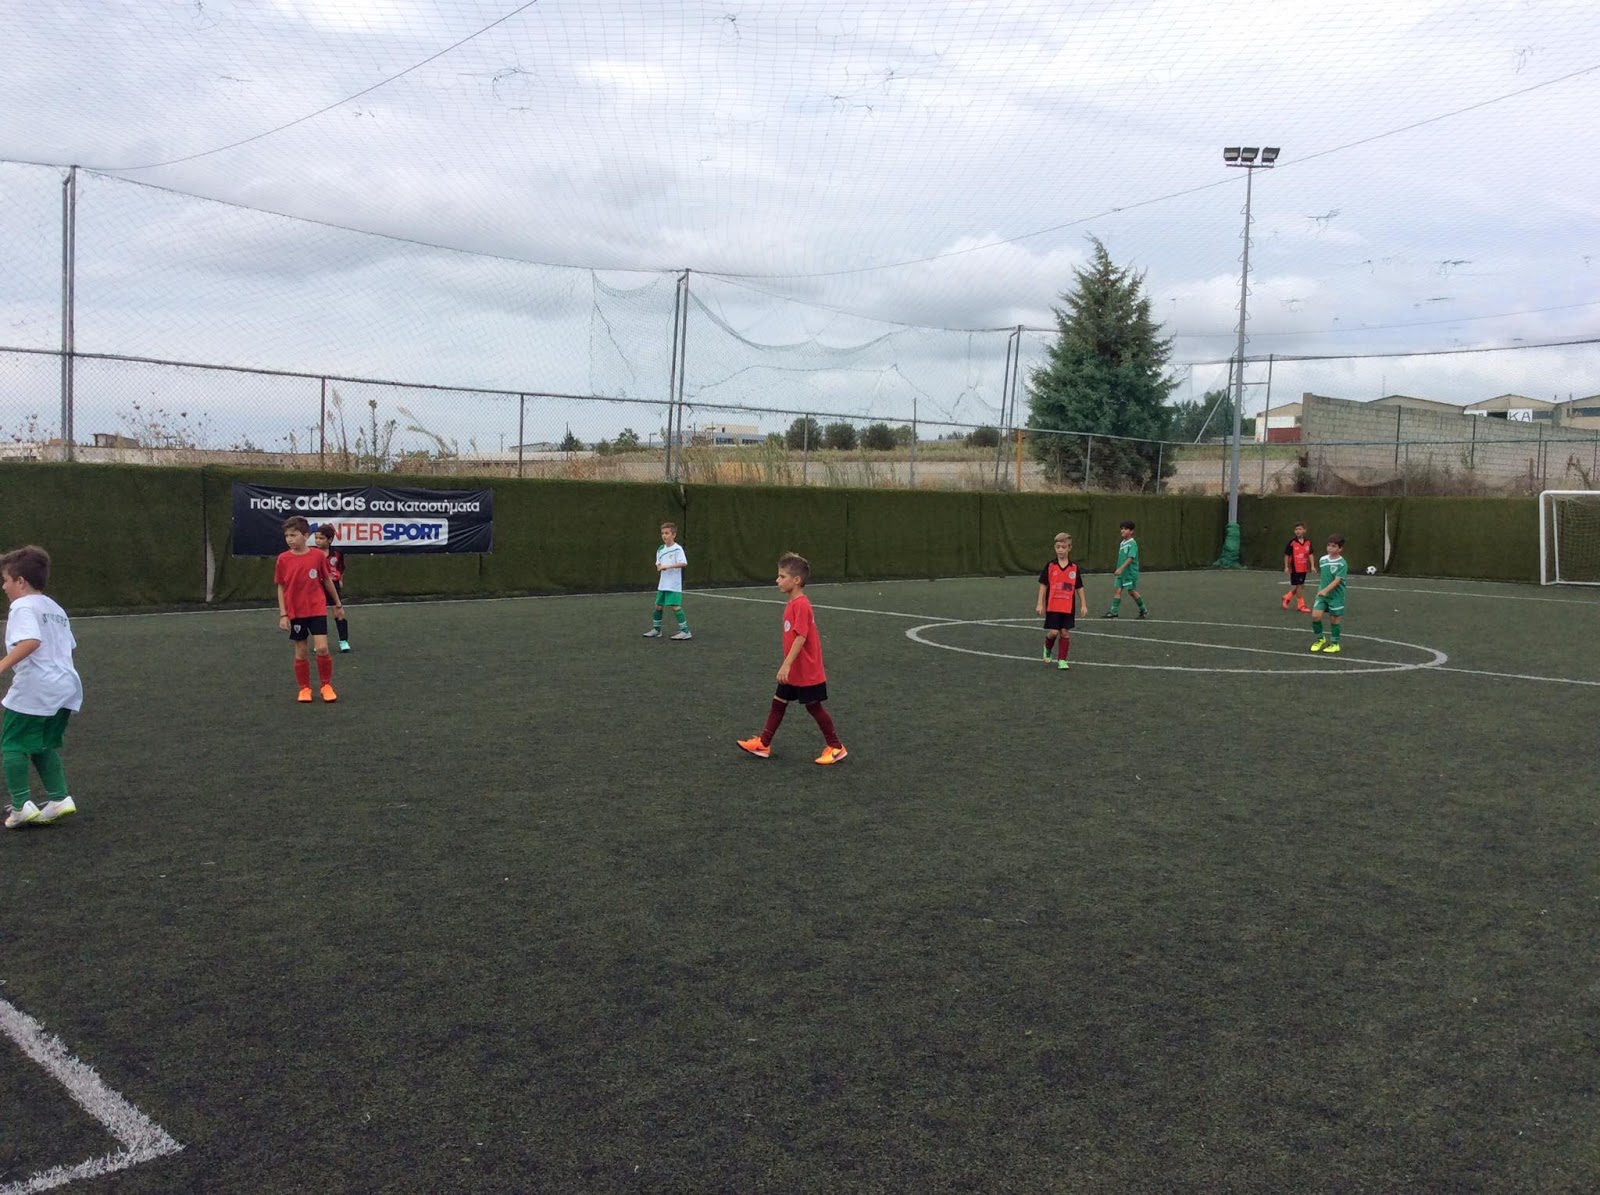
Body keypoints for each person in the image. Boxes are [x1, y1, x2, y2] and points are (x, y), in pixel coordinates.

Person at [0, 545, 84, 829]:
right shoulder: (55, 608)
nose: (4, 587)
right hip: (67, 686)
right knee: (41, 744)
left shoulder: (22, 606)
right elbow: (69, 647)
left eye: (6, 580)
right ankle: (59, 798)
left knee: (12, 743)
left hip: (37, 686)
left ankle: (21, 804)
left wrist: (2, 665)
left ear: (20, 581)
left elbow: (31, 641)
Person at [737, 552, 847, 765]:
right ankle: (764, 743)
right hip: (795, 669)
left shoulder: (802, 605)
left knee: (813, 707)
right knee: (778, 702)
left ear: (796, 580)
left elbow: (801, 637)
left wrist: (785, 665)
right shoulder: (793, 603)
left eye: (782, 576)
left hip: (806, 670)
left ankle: (836, 747)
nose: (777, 580)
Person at [275, 516, 345, 702]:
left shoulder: (317, 556)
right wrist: (283, 614)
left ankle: (326, 686)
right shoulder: (283, 559)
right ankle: (304, 689)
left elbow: (327, 580)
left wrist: (337, 604)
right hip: (296, 611)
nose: (289, 539)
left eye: (293, 535)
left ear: (306, 535)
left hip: (316, 608)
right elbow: (281, 586)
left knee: (322, 648)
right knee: (301, 651)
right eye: (287, 536)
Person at [1035, 532, 1086, 670]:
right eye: (1058, 547)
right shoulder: (1050, 566)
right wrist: (1040, 603)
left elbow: (1079, 587)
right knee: (1053, 632)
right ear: (1055, 547)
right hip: (1053, 605)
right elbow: (1043, 584)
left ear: (1069, 548)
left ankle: (1062, 660)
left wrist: (1083, 604)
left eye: (1063, 547)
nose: (1060, 550)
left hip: (1068, 606)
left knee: (1064, 632)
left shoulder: (1074, 567)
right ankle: (1047, 647)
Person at [642, 521, 691, 641]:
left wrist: (668, 566)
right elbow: (658, 563)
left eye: (667, 533)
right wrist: (659, 566)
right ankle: (657, 630)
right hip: (663, 584)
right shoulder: (660, 549)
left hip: (673, 584)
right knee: (658, 606)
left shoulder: (677, 549)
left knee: (675, 606)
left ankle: (685, 631)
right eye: (662, 533)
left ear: (673, 535)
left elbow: (683, 563)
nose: (664, 535)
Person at [313, 523, 351, 652]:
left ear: (330, 539)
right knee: (318, 615)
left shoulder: (337, 553)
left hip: (332, 585)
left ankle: (344, 641)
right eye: (316, 538)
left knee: (338, 613)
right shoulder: (313, 553)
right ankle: (319, 641)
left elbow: (341, 568)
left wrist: (340, 580)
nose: (318, 541)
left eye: (321, 538)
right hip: (317, 586)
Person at [1309, 534, 1349, 655]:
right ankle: (1320, 639)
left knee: (1334, 619)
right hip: (1322, 595)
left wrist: (1325, 590)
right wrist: (1321, 590)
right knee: (1315, 616)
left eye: (1334, 546)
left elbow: (1337, 580)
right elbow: (1324, 577)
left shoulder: (1342, 563)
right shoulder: (1322, 560)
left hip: (1336, 596)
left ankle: (1334, 644)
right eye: (1328, 545)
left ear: (1340, 548)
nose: (1330, 548)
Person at [1102, 520, 1148, 619]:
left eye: (1126, 529)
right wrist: (1119, 569)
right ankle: (1114, 612)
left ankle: (1143, 609)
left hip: (1129, 573)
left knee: (1131, 591)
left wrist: (1121, 569)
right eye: (1122, 529)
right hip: (1121, 573)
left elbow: (1130, 558)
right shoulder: (1122, 543)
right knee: (1117, 590)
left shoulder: (1132, 543)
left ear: (1131, 531)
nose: (1122, 531)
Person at [1282, 522, 1315, 613]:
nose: (1298, 531)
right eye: (1296, 529)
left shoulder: (1308, 542)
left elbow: (1310, 554)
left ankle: (1287, 597)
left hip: (1303, 567)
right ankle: (1301, 605)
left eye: (1300, 529)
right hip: (1295, 568)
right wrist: (1286, 567)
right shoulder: (1292, 543)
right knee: (1300, 585)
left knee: (1300, 585)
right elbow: (1287, 555)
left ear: (1304, 530)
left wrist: (1312, 566)